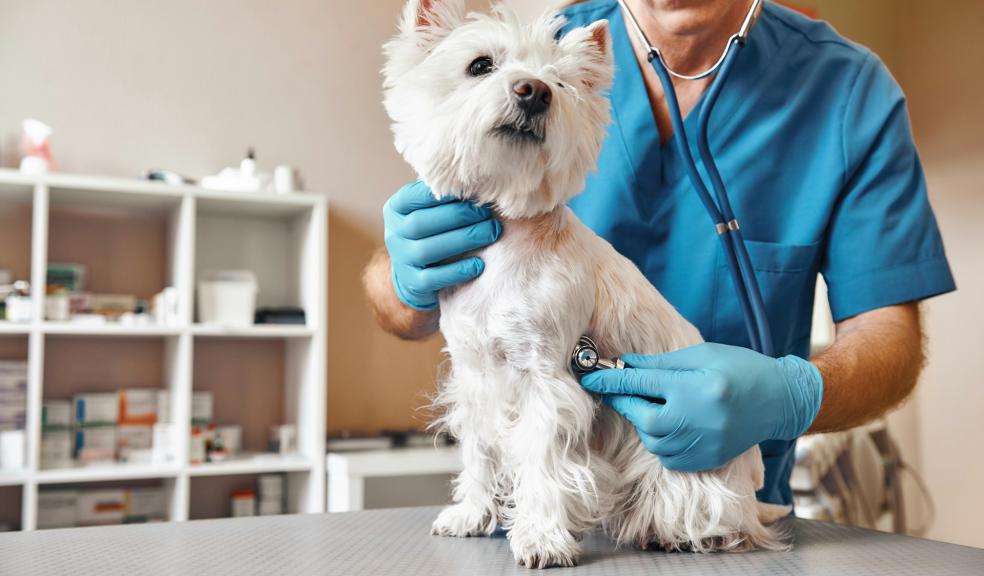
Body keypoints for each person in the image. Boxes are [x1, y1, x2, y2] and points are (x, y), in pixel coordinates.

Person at [362, 0, 955, 506]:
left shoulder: (848, 91)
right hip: (534, 519)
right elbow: (402, 303)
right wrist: (402, 276)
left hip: (706, 505)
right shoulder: (539, 52)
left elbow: (891, 342)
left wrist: (788, 395)